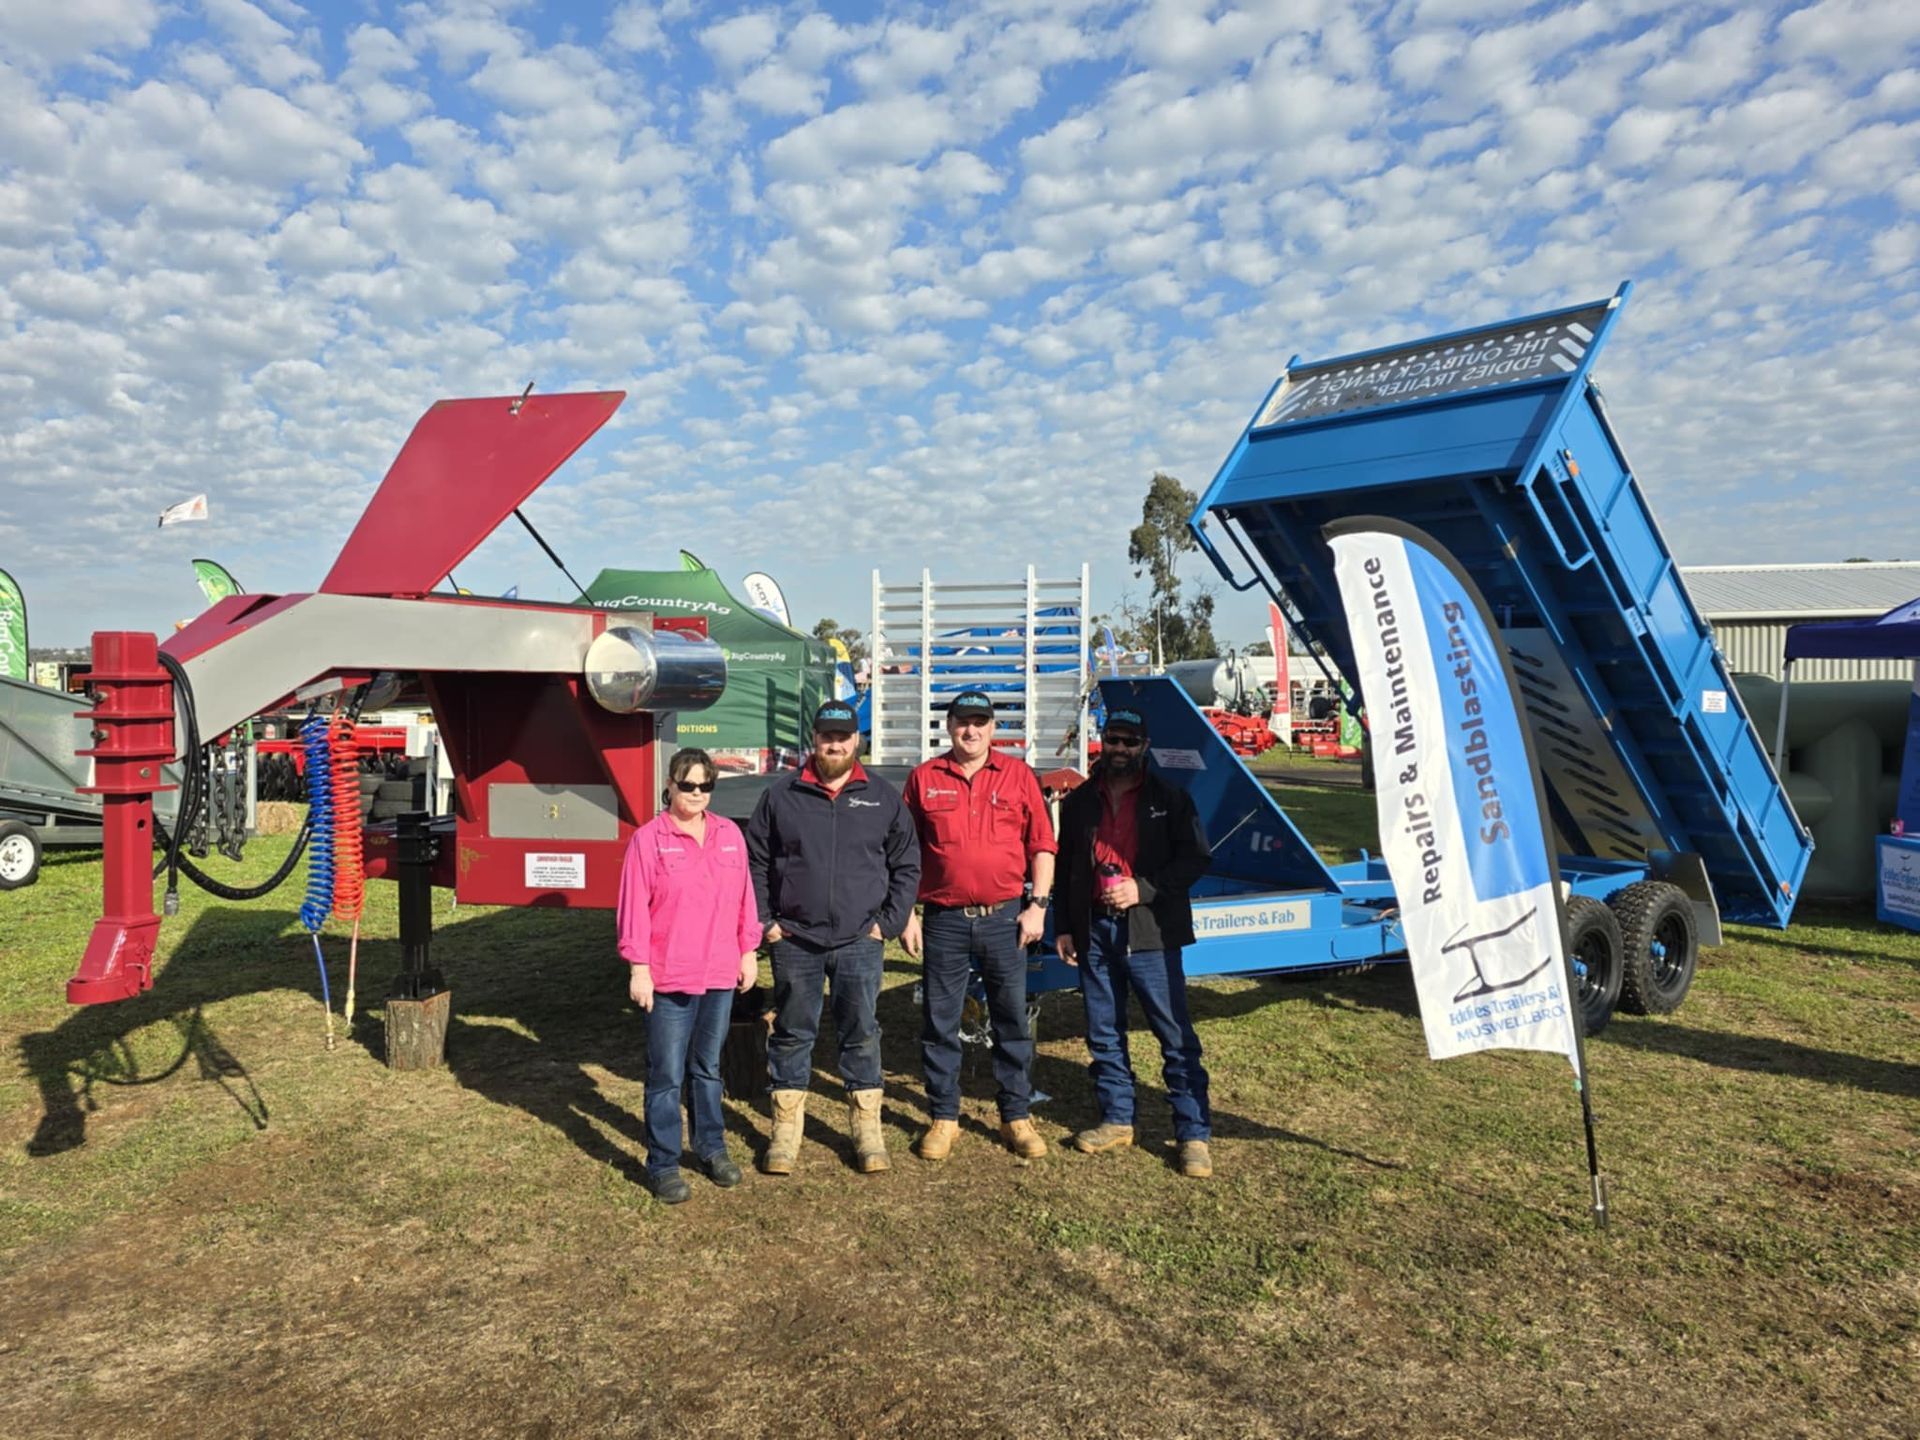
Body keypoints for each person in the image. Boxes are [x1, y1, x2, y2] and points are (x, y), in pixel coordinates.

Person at [745, 700, 920, 1175]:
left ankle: (867, 1131)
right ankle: (785, 1132)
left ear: (857, 741)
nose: (835, 744)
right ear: (814, 739)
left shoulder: (882, 797)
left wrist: (889, 921)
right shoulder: (781, 796)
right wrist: (767, 924)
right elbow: (755, 863)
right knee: (792, 1031)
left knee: (861, 1032)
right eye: (827, 736)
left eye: (844, 736)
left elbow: (906, 864)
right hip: (795, 938)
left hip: (860, 939)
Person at [1053, 704, 1216, 1178]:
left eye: (1129, 741)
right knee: (1103, 1031)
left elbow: (1195, 859)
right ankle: (1118, 1119)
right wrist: (1065, 925)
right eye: (1113, 739)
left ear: (1144, 747)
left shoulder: (1171, 798)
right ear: (1102, 741)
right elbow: (1067, 869)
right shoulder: (1081, 800)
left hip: (1151, 932)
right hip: (1095, 932)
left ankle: (1192, 1133)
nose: (1120, 749)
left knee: (1174, 1035)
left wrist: (1143, 889)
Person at [900, 690, 1056, 1162]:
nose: (971, 731)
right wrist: (907, 913)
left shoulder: (1018, 776)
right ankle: (944, 1117)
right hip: (944, 921)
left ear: (993, 729)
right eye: (962, 722)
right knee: (940, 1023)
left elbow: (1042, 846)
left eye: (980, 723)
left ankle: (1016, 1116)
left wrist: (1039, 906)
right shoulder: (924, 779)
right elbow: (902, 854)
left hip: (1005, 919)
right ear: (948, 727)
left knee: (1010, 1020)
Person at [617, 747, 763, 1204]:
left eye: (705, 786)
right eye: (687, 785)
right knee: (665, 1073)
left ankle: (711, 1148)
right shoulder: (648, 840)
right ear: (669, 785)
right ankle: (662, 1163)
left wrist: (748, 951)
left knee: (708, 1068)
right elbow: (633, 909)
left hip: (719, 972)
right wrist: (639, 968)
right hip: (668, 977)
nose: (696, 794)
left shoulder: (729, 835)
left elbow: (745, 899)